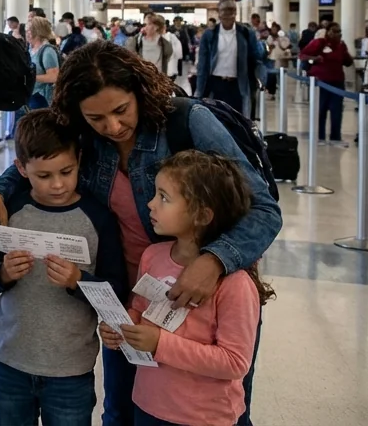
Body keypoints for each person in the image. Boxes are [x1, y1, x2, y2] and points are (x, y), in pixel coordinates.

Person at [0, 42, 282, 426]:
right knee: (123, 408)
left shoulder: (188, 121)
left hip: (201, 295)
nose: (113, 127)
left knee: (218, 411)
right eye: (96, 118)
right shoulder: (85, 135)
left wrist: (215, 259)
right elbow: (37, 162)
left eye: (121, 110)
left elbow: (264, 210)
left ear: (139, 91)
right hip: (131, 298)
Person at [101, 151, 273, 426]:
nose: (150, 204)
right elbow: (140, 310)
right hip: (148, 404)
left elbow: (234, 362)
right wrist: (123, 326)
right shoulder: (152, 256)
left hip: (203, 416)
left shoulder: (235, 284)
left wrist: (160, 344)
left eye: (164, 198)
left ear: (202, 215)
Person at [0, 110, 126, 426]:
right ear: (21, 168)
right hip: (10, 361)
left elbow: (116, 290)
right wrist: (3, 273)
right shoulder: (12, 209)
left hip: (70, 369)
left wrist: (78, 280)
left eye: (66, 171)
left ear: (79, 160)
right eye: (44, 176)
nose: (57, 184)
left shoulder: (98, 219)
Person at [194, 0, 258, 117]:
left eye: (232, 10)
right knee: (215, 120)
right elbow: (202, 65)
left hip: (237, 85)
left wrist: (258, 79)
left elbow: (255, 58)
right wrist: (199, 91)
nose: (229, 14)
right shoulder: (209, 35)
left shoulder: (246, 33)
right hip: (215, 84)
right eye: (225, 10)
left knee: (238, 120)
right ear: (219, 13)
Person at [300, 22, 354, 147]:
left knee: (337, 110)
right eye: (334, 31)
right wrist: (315, 59)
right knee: (321, 109)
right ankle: (319, 136)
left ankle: (335, 137)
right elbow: (303, 55)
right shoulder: (319, 42)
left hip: (337, 82)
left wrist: (347, 54)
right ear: (328, 32)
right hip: (321, 81)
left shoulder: (341, 46)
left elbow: (347, 62)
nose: (337, 34)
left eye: (339, 31)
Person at [26, 16, 60, 110]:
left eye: (29, 30)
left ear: (37, 32)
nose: (26, 34)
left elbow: (54, 77)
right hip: (32, 96)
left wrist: (31, 77)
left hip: (42, 98)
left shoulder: (47, 51)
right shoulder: (31, 49)